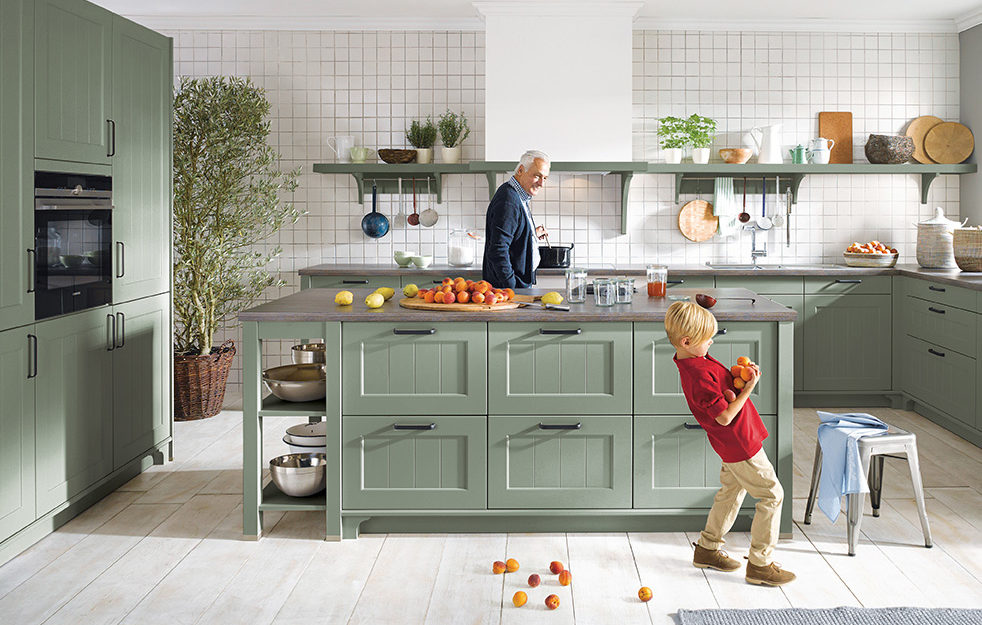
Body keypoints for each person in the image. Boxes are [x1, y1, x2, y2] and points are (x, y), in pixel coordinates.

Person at [665, 301, 796, 587]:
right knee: (772, 495)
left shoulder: (696, 360)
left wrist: (736, 383)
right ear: (687, 342)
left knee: (731, 493)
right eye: (707, 339)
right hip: (739, 442)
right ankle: (761, 564)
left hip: (730, 443)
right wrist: (748, 389)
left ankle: (707, 549)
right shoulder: (698, 373)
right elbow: (724, 416)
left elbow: (720, 399)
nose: (711, 341)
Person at [482, 150, 550, 288]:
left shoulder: (517, 196)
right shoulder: (509, 200)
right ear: (520, 170)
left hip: (515, 287)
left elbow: (511, 236)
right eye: (537, 176)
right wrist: (511, 286)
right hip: (509, 290)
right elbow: (498, 249)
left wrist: (531, 234)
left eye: (545, 178)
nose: (542, 184)